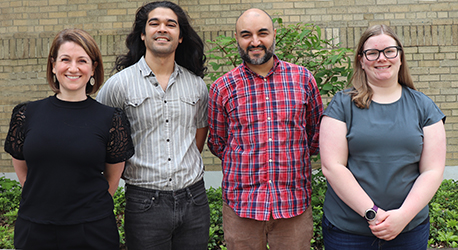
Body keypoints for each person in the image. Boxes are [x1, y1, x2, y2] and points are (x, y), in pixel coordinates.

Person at [3, 28, 134, 250]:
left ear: (93, 68)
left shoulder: (112, 119)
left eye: (82, 61)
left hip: (92, 231)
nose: (73, 68)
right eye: (65, 59)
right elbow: (23, 170)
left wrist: (86, 210)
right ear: (53, 66)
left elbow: (112, 177)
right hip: (35, 229)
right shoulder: (26, 114)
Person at [320, 24, 446, 250]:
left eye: (389, 51)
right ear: (361, 60)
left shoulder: (424, 107)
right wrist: (372, 213)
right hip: (348, 232)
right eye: (372, 53)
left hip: (408, 230)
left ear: (399, 56)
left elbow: (433, 170)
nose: (381, 58)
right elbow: (332, 166)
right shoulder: (341, 104)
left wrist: (403, 217)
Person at [96, 1, 210, 249]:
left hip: (194, 200)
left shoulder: (197, 86)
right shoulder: (119, 85)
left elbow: (198, 137)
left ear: (180, 37)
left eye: (171, 24)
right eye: (154, 23)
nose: (162, 29)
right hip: (145, 203)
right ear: (142, 33)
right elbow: (98, 135)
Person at [207, 8, 323, 250]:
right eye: (246, 35)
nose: (255, 41)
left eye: (263, 33)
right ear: (237, 38)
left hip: (293, 204)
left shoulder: (303, 79)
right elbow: (219, 143)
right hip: (241, 206)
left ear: (274, 35)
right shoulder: (223, 87)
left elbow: (316, 134)